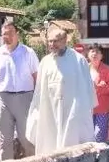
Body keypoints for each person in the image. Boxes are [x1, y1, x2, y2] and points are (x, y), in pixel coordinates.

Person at [25, 27, 96, 155]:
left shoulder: (79, 60)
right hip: (50, 110)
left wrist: (85, 110)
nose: (52, 44)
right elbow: (39, 91)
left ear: (65, 40)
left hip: (72, 112)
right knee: (49, 145)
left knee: (72, 145)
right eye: (50, 41)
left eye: (56, 41)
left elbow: (87, 88)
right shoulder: (45, 62)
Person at [0, 21, 39, 159]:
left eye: (10, 33)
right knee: (4, 139)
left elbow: (36, 77)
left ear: (17, 34)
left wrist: (36, 100)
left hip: (24, 97)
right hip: (3, 98)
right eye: (4, 34)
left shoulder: (28, 53)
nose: (7, 36)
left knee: (26, 137)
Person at [87, 45, 109, 142]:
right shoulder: (84, 69)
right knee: (88, 137)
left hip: (102, 109)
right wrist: (100, 86)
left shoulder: (107, 70)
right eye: (92, 51)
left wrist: (97, 87)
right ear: (88, 54)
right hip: (87, 109)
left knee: (99, 136)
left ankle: (101, 157)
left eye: (97, 52)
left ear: (101, 56)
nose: (94, 54)